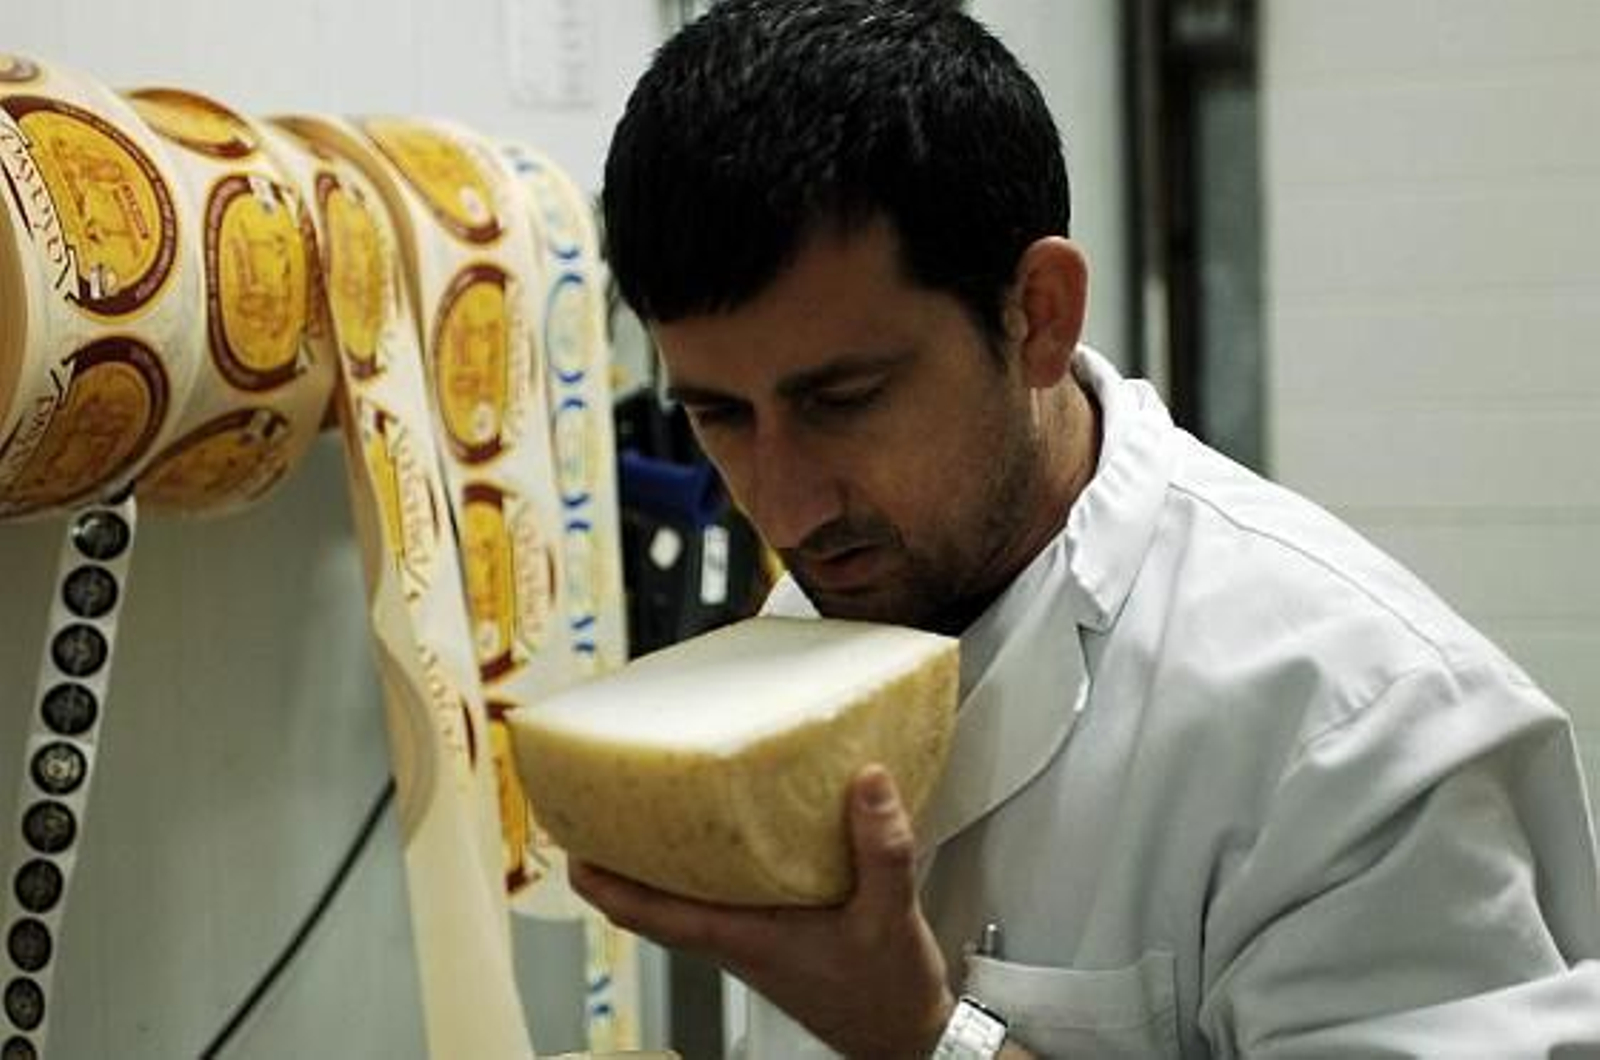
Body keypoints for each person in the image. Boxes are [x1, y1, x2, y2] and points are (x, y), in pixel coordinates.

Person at [575, 1, 1600, 1055]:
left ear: (1040, 312)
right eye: (720, 416)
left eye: (846, 399)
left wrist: (920, 1034)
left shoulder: (1357, 727)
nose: (787, 510)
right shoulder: (829, 602)